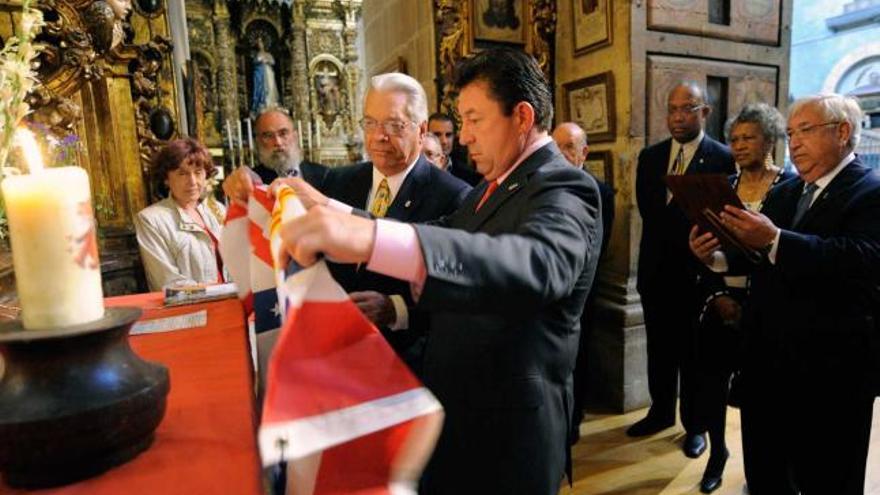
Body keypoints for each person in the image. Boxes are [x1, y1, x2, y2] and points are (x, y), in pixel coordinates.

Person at [277, 48, 602, 494]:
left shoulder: (564, 185)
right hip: (457, 411)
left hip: (507, 433)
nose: (463, 137)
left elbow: (536, 264)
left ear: (522, 117)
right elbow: (438, 231)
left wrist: (366, 240)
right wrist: (335, 211)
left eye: (474, 119)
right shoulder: (494, 184)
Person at [690, 94, 880, 494]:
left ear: (843, 132)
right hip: (767, 366)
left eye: (805, 131)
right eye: (790, 133)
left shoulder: (870, 190)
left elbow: (861, 260)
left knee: (826, 477)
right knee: (767, 473)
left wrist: (776, 239)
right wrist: (716, 259)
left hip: (829, 374)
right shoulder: (787, 191)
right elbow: (760, 259)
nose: (793, 143)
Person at [225, 73, 471, 375]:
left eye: (394, 125)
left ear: (421, 131)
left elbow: (459, 301)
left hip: (405, 368)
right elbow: (288, 205)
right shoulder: (338, 179)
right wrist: (246, 186)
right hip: (334, 362)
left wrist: (397, 310)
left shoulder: (454, 197)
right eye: (370, 123)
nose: (379, 136)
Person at [690, 103, 794, 493]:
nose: (739, 145)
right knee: (711, 386)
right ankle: (717, 454)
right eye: (734, 139)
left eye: (748, 137)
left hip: (767, 311)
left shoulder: (790, 187)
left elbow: (787, 254)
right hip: (719, 300)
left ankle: (766, 471)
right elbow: (709, 249)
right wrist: (717, 291)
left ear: (769, 139)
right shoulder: (722, 189)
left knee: (763, 400)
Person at [630, 82, 736, 461]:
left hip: (698, 274)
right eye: (672, 109)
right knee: (659, 350)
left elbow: (720, 218)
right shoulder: (651, 156)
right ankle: (659, 413)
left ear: (704, 112)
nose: (678, 116)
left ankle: (696, 428)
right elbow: (650, 213)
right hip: (657, 272)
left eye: (687, 108)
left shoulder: (723, 158)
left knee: (694, 356)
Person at [551, 121, 615, 444]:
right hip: (548, 292)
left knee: (580, 353)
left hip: (582, 290)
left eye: (568, 147)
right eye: (555, 146)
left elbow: (600, 246)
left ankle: (574, 419)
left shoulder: (601, 192)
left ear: (583, 152)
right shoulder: (543, 187)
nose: (560, 154)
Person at [135, 138, 226, 291]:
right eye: (182, 174)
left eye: (198, 173)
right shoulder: (151, 219)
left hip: (232, 304)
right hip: (193, 311)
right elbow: (167, 283)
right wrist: (216, 293)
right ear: (166, 179)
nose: (192, 181)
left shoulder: (217, 209)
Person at [251, 107, 327, 187]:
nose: (278, 142)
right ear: (258, 141)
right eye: (269, 136)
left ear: (295, 136)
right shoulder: (252, 181)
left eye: (283, 133)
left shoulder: (324, 175)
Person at [428, 112, 482, 185]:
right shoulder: (413, 169)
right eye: (437, 135)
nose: (444, 141)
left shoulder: (470, 176)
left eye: (448, 135)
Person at [251, 38, 279, 115]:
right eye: (258, 43)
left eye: (261, 43)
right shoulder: (255, 55)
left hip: (268, 72)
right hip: (260, 73)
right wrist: (260, 61)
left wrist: (267, 61)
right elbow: (254, 63)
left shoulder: (268, 54)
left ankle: (271, 102)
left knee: (270, 86)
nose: (260, 45)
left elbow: (273, 62)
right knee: (261, 87)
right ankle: (262, 103)